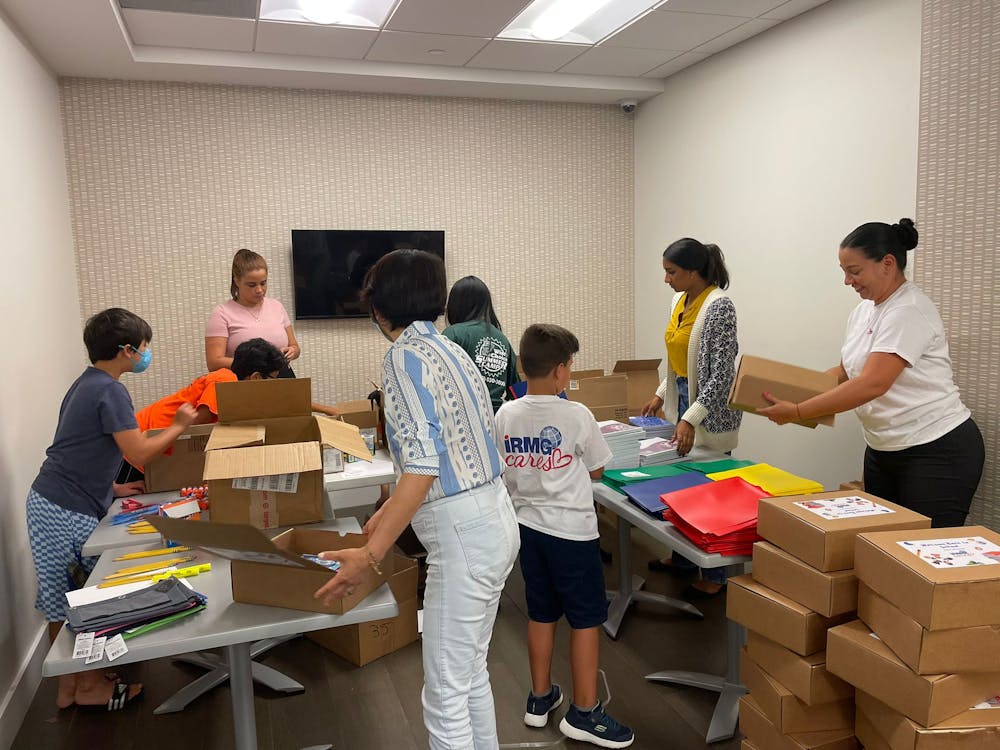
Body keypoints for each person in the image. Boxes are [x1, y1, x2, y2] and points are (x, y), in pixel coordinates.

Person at [312, 249, 519, 750]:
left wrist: (370, 554)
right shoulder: (453, 351)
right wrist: (385, 514)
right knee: (469, 675)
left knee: (445, 691)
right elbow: (453, 450)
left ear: (379, 308)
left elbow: (424, 468)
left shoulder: (402, 359)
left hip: (464, 537)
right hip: (495, 518)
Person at [759, 219, 985, 527]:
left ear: (887, 264)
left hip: (936, 448)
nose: (848, 281)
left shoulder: (908, 310)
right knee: (881, 545)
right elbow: (846, 371)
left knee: (921, 552)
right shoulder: (864, 310)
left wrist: (799, 411)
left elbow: (872, 384)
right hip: (884, 447)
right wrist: (794, 390)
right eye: (844, 272)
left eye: (854, 271)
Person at [27, 308, 197, 710]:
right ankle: (83, 688)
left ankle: (73, 687)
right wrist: (179, 425)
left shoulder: (87, 383)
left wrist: (114, 487)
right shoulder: (110, 390)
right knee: (76, 599)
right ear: (125, 351)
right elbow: (137, 450)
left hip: (57, 499)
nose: (145, 354)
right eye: (143, 348)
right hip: (60, 505)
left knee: (69, 597)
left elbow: (80, 445)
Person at [496, 324, 635, 748]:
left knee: (540, 613)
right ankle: (585, 713)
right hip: (573, 535)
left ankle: (539, 699)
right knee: (586, 619)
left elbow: (502, 468)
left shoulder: (506, 414)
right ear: (560, 371)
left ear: (522, 365)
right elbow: (596, 469)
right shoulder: (576, 415)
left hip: (528, 533)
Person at [640, 238, 742, 598]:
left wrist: (690, 417)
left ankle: (717, 578)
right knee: (681, 486)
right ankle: (682, 559)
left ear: (693, 272)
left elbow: (721, 376)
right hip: (683, 397)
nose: (666, 279)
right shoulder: (679, 300)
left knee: (712, 494)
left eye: (671, 272)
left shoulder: (719, 307)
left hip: (710, 411)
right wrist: (660, 392)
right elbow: (677, 357)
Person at [205, 248, 338, 415]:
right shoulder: (222, 313)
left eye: (263, 283)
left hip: (283, 377)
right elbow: (214, 362)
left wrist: (293, 351)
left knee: (295, 427)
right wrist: (257, 365)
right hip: (246, 385)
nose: (259, 290)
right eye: (252, 285)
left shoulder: (276, 306)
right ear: (237, 281)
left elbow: (294, 346)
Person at [441, 275, 519, 412]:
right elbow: (516, 390)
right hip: (496, 418)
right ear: (487, 305)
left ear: (455, 305)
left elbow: (439, 381)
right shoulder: (502, 339)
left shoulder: (452, 334)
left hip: (463, 416)